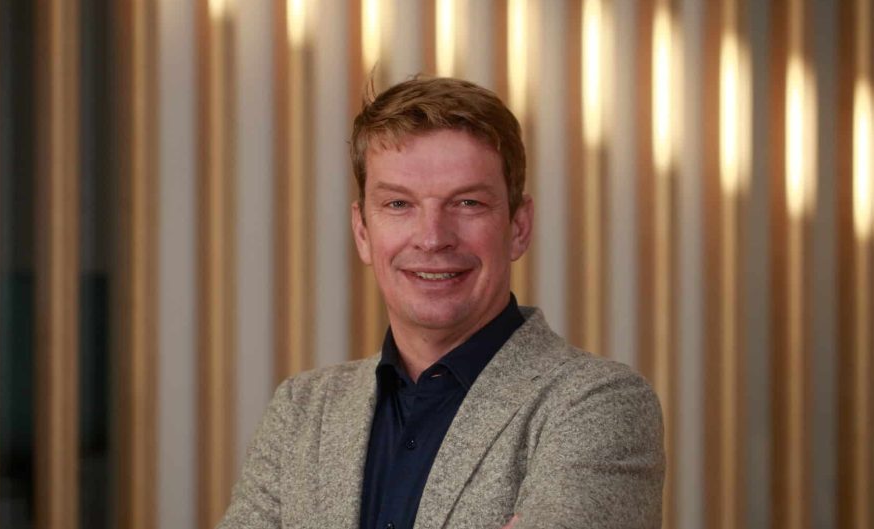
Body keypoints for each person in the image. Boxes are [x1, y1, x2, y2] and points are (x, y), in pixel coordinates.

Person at [216, 77, 664, 529]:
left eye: (467, 203)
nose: (432, 238)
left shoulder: (597, 404)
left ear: (519, 226)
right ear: (362, 231)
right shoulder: (301, 411)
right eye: (398, 204)